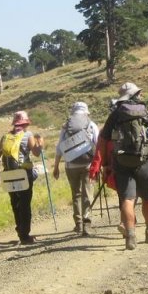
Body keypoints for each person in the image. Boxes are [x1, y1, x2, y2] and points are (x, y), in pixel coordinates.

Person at [96, 82, 148, 250]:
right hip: (144, 159)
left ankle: (130, 236)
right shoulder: (144, 110)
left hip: (121, 161)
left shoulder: (115, 114)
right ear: (135, 95)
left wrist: (105, 163)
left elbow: (102, 140)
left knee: (128, 199)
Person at [0, 111, 44, 246]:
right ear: (25, 123)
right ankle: (24, 235)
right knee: (25, 204)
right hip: (23, 174)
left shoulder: (5, 137)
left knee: (15, 202)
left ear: (15, 123)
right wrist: (41, 143)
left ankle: (19, 229)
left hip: (8, 174)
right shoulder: (28, 135)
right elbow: (37, 153)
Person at [52, 101, 99, 236]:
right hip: (87, 164)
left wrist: (56, 167)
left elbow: (59, 147)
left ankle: (78, 224)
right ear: (86, 111)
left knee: (76, 194)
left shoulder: (66, 126)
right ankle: (87, 223)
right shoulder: (91, 124)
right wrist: (99, 164)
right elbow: (98, 144)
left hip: (70, 165)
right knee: (87, 193)